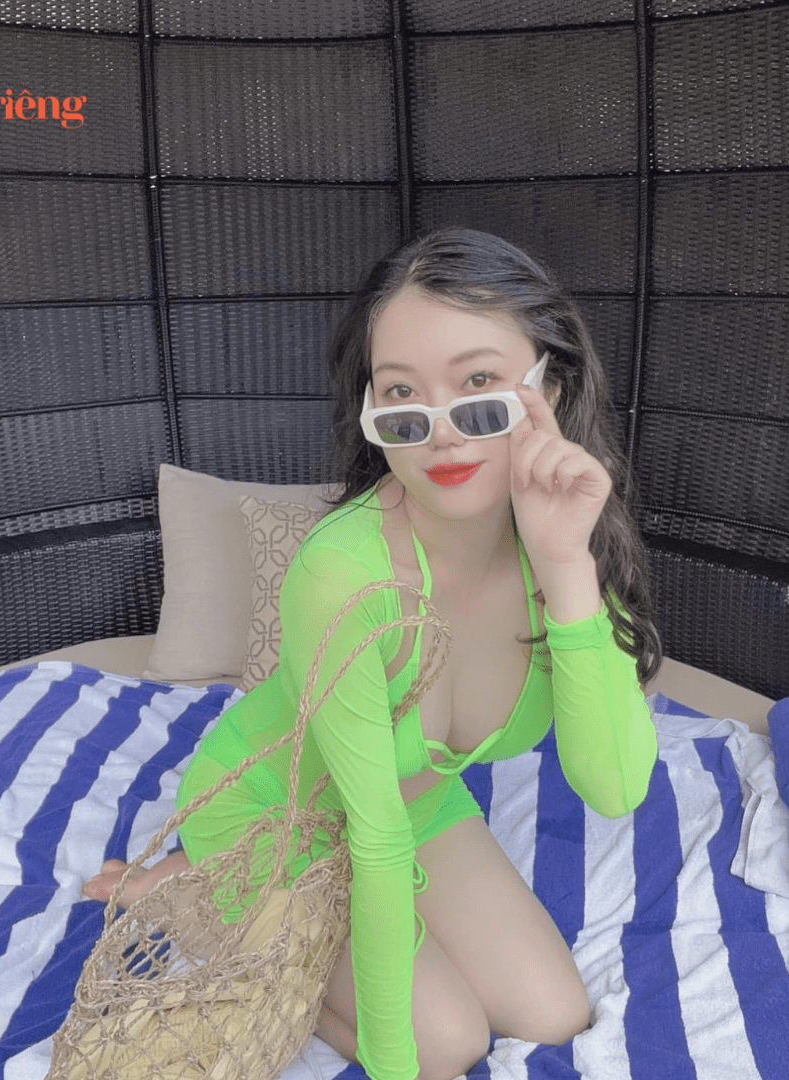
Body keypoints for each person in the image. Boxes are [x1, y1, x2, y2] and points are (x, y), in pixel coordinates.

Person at [83, 227, 662, 1080]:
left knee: (554, 1014)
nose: (442, 434)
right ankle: (192, 891)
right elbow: (374, 834)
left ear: (551, 386)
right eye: (401, 395)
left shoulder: (567, 536)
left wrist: (567, 565)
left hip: (416, 803)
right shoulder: (345, 572)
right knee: (446, 1044)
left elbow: (613, 787)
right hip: (274, 815)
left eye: (479, 386)